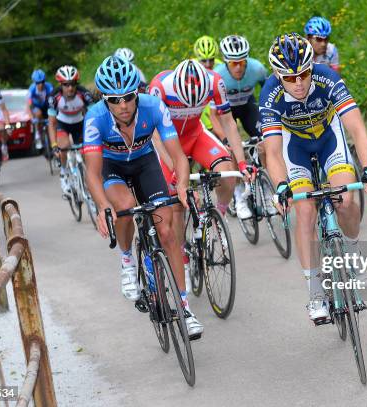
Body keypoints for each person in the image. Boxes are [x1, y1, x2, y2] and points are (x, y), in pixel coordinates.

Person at [260, 33, 367, 322]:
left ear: (311, 66)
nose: (299, 83)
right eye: (290, 78)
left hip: (329, 139)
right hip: (296, 148)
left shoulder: (327, 78)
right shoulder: (270, 93)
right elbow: (274, 153)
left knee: (345, 198)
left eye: (304, 73)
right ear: (278, 75)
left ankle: (351, 251)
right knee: (304, 211)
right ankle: (315, 290)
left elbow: (358, 130)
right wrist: (281, 187)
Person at [83, 55, 204, 338]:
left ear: (137, 92)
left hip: (144, 162)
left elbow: (178, 156)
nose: (123, 105)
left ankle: (184, 308)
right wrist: (102, 206)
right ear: (105, 100)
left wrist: (183, 185)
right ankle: (126, 259)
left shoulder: (153, 105)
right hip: (112, 168)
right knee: (124, 207)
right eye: (114, 100)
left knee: (167, 231)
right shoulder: (95, 118)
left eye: (128, 96)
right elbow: (92, 173)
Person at [149, 59, 255, 290]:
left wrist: (242, 162)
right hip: (168, 142)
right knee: (177, 203)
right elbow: (155, 135)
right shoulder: (159, 86)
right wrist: (177, 171)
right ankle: (181, 260)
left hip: (196, 136)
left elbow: (228, 123)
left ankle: (220, 215)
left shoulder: (215, 82)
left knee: (228, 173)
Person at [216, 35, 268, 211]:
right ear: (225, 62)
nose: (238, 67)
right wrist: (224, 138)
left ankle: (268, 187)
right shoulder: (217, 76)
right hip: (225, 112)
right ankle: (238, 195)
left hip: (247, 106)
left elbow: (269, 92)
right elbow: (213, 114)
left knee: (265, 142)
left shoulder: (257, 69)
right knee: (231, 149)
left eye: (242, 62)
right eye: (233, 63)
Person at [48, 65, 93, 196]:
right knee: (64, 146)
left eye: (73, 84)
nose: (70, 88)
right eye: (66, 85)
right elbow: (51, 123)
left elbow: (95, 115)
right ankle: (63, 173)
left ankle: (88, 178)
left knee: (87, 153)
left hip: (80, 123)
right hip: (63, 124)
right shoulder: (54, 97)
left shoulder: (84, 94)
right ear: (61, 85)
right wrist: (54, 145)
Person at [193, 35, 225, 138]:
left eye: (211, 60)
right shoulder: (191, 68)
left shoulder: (220, 67)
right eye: (203, 60)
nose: (208, 64)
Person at [27, 69, 54, 150]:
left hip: (46, 106)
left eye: (42, 82)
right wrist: (32, 117)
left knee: (51, 118)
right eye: (38, 83)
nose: (41, 84)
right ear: (34, 82)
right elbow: (28, 105)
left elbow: (54, 100)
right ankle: (38, 135)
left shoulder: (49, 87)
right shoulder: (31, 89)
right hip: (36, 107)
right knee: (38, 114)